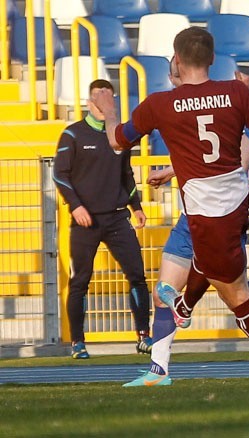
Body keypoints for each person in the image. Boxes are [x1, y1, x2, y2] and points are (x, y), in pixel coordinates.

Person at [94, 27, 249, 388]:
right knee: (212, 271)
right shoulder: (235, 92)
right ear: (211, 59)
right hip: (236, 206)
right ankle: (183, 309)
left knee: (238, 296)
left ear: (176, 59)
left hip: (207, 213)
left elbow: (117, 141)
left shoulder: (161, 104)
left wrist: (109, 113)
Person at [53, 79, 152, 359]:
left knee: (137, 276)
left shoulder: (119, 136)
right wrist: (76, 206)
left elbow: (127, 174)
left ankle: (144, 336)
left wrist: (137, 207)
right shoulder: (72, 135)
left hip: (118, 218)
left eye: (109, 98)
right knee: (80, 281)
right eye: (99, 98)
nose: (104, 104)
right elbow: (60, 174)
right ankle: (78, 342)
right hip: (86, 221)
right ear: (89, 102)